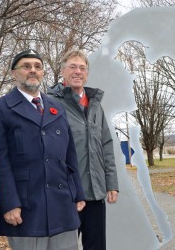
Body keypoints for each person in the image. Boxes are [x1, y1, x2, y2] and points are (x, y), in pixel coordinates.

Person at [0, 49, 86, 250]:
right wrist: (9, 203)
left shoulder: (57, 107)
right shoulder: (0, 108)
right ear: (14, 73)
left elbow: (70, 155)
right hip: (25, 207)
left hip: (62, 203)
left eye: (38, 67)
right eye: (26, 66)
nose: (33, 70)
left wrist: (78, 193)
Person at [48, 49, 118, 250]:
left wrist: (111, 183)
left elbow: (106, 144)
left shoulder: (95, 104)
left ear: (87, 73)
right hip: (66, 194)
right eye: (73, 67)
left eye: (82, 68)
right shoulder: (50, 103)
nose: (78, 71)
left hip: (95, 192)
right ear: (62, 71)